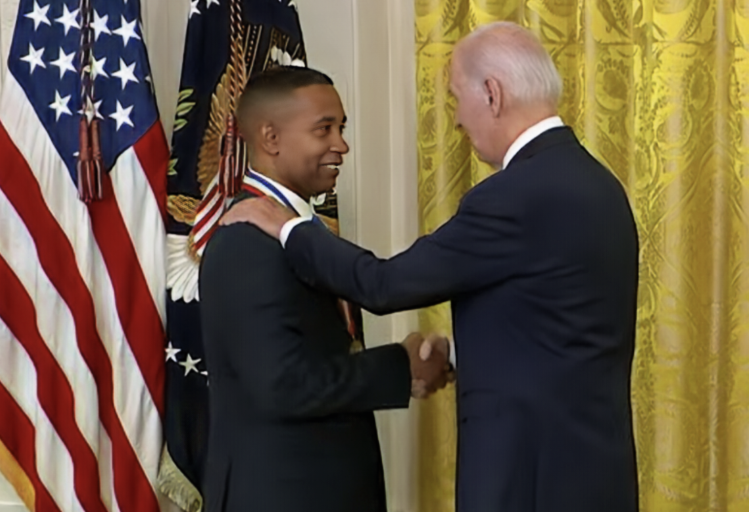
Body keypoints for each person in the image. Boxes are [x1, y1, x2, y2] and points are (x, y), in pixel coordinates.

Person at [220, 22, 641, 512]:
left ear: (492, 93)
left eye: (457, 98)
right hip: (594, 475)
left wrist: (291, 227)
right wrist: (459, 357)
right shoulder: (599, 185)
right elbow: (555, 325)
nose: (458, 120)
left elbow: (383, 284)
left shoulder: (514, 195)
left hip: (529, 481)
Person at [198, 66, 450, 512]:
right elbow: (281, 383)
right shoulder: (246, 240)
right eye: (324, 129)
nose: (342, 145)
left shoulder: (299, 233)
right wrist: (399, 368)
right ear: (271, 138)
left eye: (342, 128)